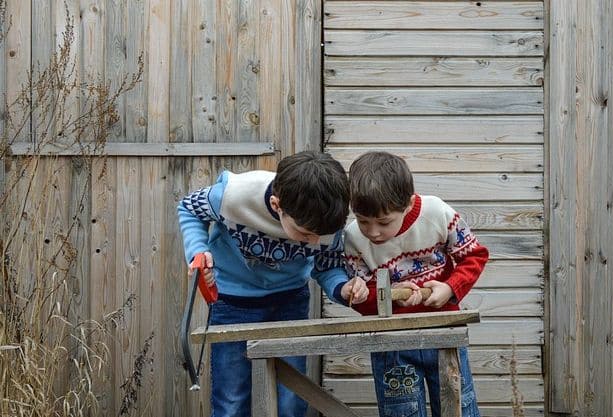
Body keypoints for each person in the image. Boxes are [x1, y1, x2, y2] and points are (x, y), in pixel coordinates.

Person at [177, 150, 368, 417]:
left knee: (292, 400)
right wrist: (198, 250)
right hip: (232, 304)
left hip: (290, 302)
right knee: (231, 401)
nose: (314, 242)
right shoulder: (234, 196)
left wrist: (343, 288)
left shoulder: (326, 222)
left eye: (320, 236)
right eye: (304, 234)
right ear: (278, 206)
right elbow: (188, 207)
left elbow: (327, 268)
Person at [343, 151, 489, 417]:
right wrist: (378, 296)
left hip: (444, 334)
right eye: (364, 221)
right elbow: (363, 301)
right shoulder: (353, 237)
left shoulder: (436, 213)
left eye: (384, 222)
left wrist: (450, 288)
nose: (373, 232)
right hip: (391, 343)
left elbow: (474, 256)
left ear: (408, 204)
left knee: (459, 407)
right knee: (401, 412)